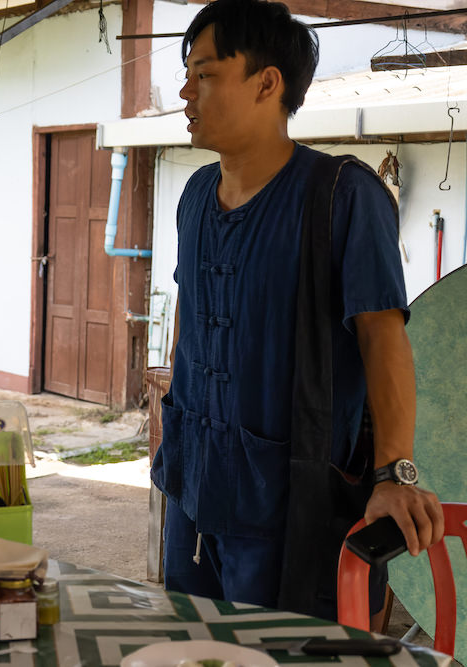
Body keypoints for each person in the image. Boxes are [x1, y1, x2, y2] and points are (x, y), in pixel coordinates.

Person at [150, 0, 444, 619]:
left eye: (204, 73)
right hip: (191, 492)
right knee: (187, 647)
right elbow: (193, 313)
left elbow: (383, 338)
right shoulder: (196, 195)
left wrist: (395, 474)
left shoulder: (342, 195)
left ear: (266, 82)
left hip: (286, 507)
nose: (185, 90)